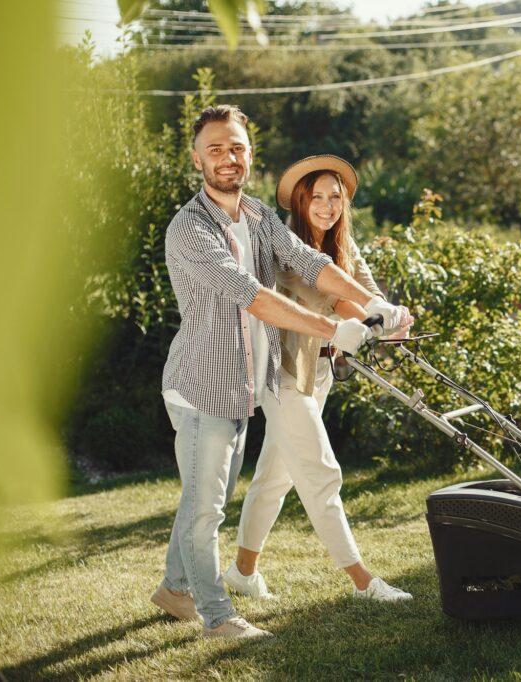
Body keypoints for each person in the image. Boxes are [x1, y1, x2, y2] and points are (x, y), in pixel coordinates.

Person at [149, 105, 411, 639]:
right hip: (202, 386)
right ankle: (219, 618)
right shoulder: (190, 229)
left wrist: (373, 308)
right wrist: (332, 329)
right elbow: (255, 298)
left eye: (238, 147)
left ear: (250, 154)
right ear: (197, 157)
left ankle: (175, 589)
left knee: (207, 497)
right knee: (206, 511)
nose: (229, 157)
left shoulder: (260, 217)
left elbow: (311, 263)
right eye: (217, 148)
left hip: (248, 383)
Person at [221, 155, 413, 603]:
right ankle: (364, 582)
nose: (327, 206)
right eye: (318, 197)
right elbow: (328, 294)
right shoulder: (284, 245)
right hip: (282, 373)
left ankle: (242, 572)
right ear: (302, 202)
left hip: (319, 372)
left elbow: (363, 287)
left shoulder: (343, 243)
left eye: (335, 197)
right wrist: (372, 314)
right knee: (321, 472)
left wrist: (390, 313)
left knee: (276, 476)